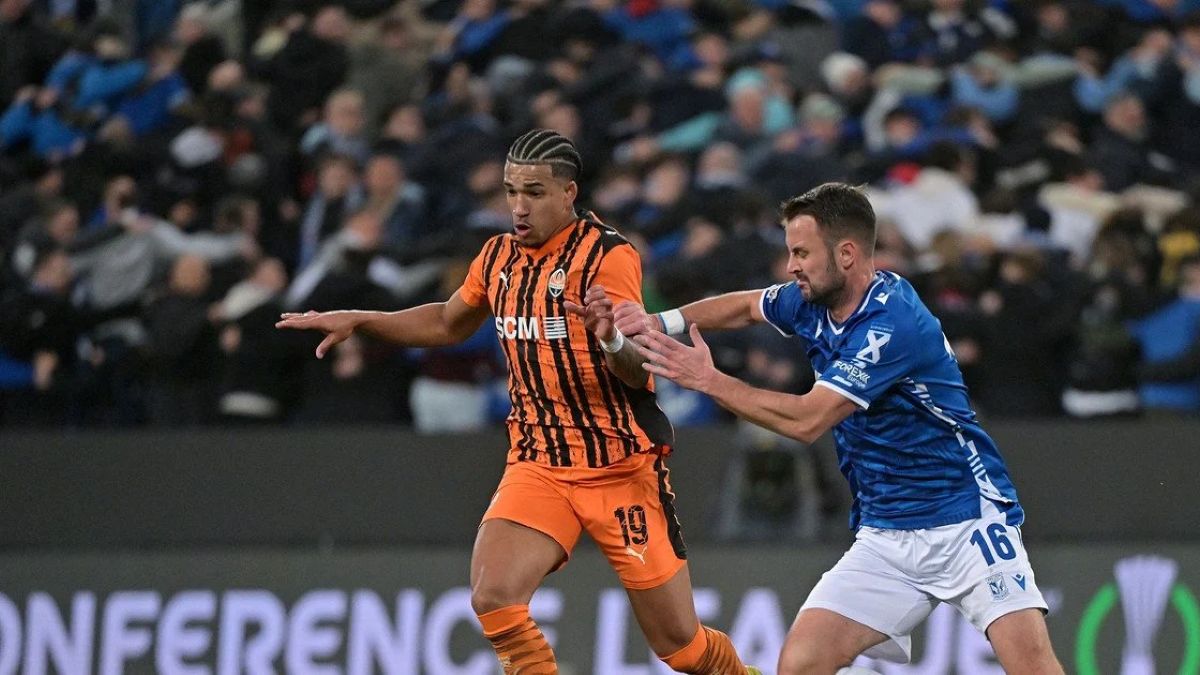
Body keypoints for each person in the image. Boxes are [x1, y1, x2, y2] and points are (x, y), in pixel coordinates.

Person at [277, 129, 758, 675]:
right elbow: (447, 322)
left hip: (618, 467)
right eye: (511, 192)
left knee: (682, 649)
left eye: (534, 192)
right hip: (539, 463)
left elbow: (635, 368)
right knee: (494, 595)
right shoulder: (497, 256)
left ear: (568, 193)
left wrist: (608, 338)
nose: (519, 207)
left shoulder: (607, 256)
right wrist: (365, 320)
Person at [616, 182, 1063, 674]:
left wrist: (709, 380)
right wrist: (661, 322)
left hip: (966, 520)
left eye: (802, 253)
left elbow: (808, 419)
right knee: (801, 664)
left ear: (846, 254)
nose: (791, 266)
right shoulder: (813, 301)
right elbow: (745, 307)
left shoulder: (891, 323)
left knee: (1032, 666)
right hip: (886, 533)